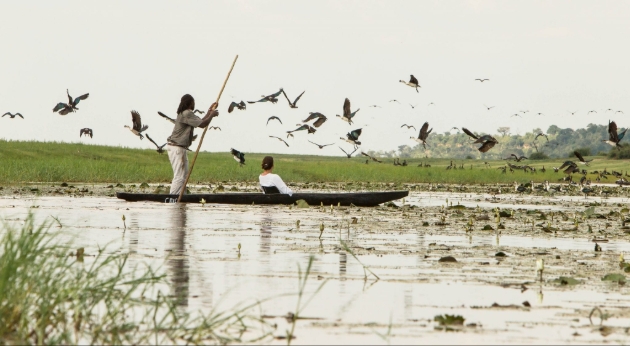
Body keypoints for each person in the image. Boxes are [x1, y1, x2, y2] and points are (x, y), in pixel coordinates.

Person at [167, 94, 218, 195]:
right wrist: (212, 115)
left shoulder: (186, 114)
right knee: (180, 176)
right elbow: (203, 124)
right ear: (189, 103)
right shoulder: (186, 113)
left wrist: (209, 111)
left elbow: (200, 122)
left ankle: (182, 197)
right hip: (177, 148)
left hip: (178, 147)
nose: (194, 104)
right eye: (193, 102)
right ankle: (173, 198)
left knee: (183, 176)